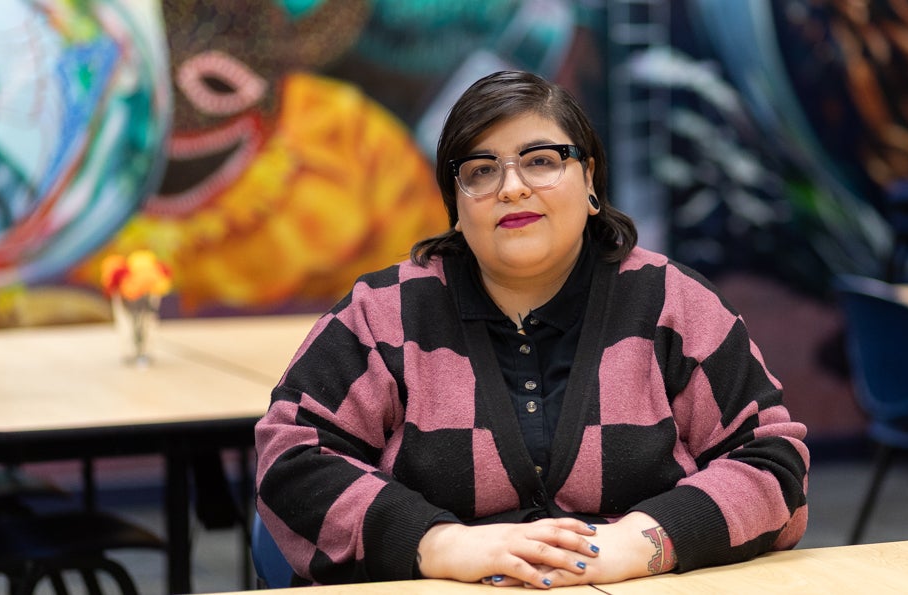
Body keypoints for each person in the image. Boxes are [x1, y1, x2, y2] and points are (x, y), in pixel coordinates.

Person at [254, 70, 809, 588]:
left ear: (589, 179)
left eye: (541, 161)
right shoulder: (386, 312)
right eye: (481, 170)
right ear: (456, 205)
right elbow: (292, 460)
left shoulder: (672, 303)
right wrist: (438, 544)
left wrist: (640, 543)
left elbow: (771, 462)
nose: (512, 187)